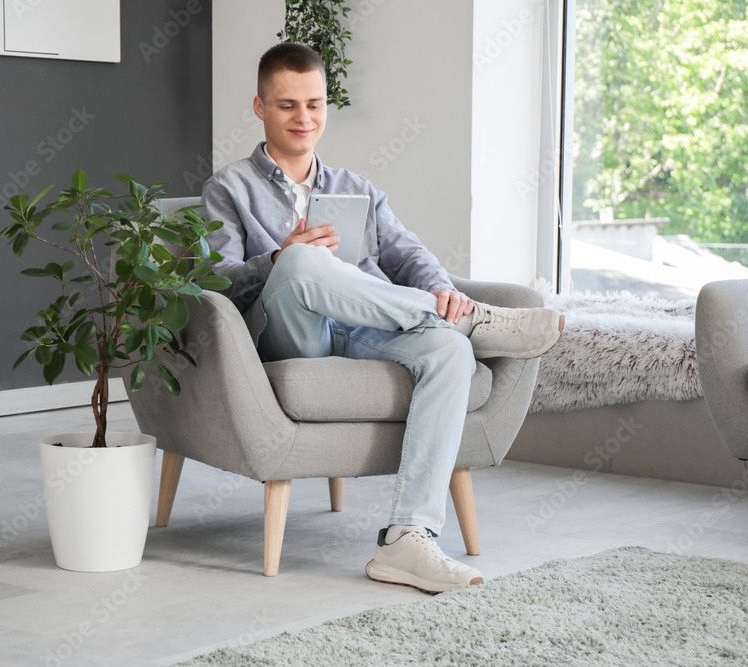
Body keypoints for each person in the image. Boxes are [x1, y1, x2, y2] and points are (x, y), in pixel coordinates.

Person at [202, 43, 563, 593]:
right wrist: (279, 257)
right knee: (302, 259)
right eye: (287, 105)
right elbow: (215, 282)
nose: (304, 118)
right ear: (259, 107)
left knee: (447, 351)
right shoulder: (229, 189)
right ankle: (475, 323)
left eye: (315, 104)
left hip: (364, 325)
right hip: (288, 332)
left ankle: (408, 538)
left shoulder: (357, 188)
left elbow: (406, 253)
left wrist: (442, 290)